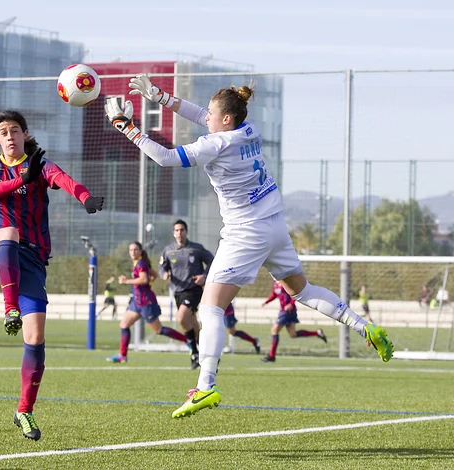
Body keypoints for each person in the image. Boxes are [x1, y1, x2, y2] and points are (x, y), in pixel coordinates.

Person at [105, 76, 394, 419]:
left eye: (212, 114)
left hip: (245, 232)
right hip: (274, 223)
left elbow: (166, 158)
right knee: (302, 291)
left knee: (210, 309)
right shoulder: (248, 129)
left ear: (225, 119)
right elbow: (201, 114)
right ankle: (365, 327)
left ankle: (205, 386)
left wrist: (127, 127)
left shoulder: (214, 145)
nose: (206, 118)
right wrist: (162, 98)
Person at [0, 110, 104, 441]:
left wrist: (85, 197)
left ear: (25, 134)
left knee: (35, 338)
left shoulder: (40, 164)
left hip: (30, 260)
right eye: (4, 131)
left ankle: (24, 411)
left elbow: (62, 179)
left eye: (15, 130)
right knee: (9, 232)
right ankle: (9, 307)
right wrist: (23, 179)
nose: (10, 135)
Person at [107, 241, 190, 363]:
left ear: (140, 251)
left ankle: (188, 340)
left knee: (158, 330)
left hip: (146, 302)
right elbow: (154, 275)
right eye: (131, 250)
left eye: (135, 250)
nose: (133, 252)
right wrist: (146, 284)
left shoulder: (141, 263)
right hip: (137, 302)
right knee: (124, 324)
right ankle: (123, 355)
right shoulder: (138, 263)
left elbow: (144, 279)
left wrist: (127, 282)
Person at [159, 219, 214, 369]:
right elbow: (162, 267)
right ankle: (205, 352)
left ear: (186, 232)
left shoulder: (196, 249)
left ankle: (194, 353)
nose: (179, 232)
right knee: (192, 323)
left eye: (182, 230)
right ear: (173, 233)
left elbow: (212, 262)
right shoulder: (168, 250)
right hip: (177, 291)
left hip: (193, 290)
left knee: (181, 317)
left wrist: (204, 276)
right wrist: (164, 274)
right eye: (176, 230)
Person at [260, 281, 326, 362]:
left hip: (287, 311)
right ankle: (317, 333)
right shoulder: (275, 283)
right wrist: (266, 302)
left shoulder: (285, 281)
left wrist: (291, 304)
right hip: (285, 311)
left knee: (274, 330)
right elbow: (274, 295)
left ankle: (272, 356)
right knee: (293, 334)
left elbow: (294, 293)